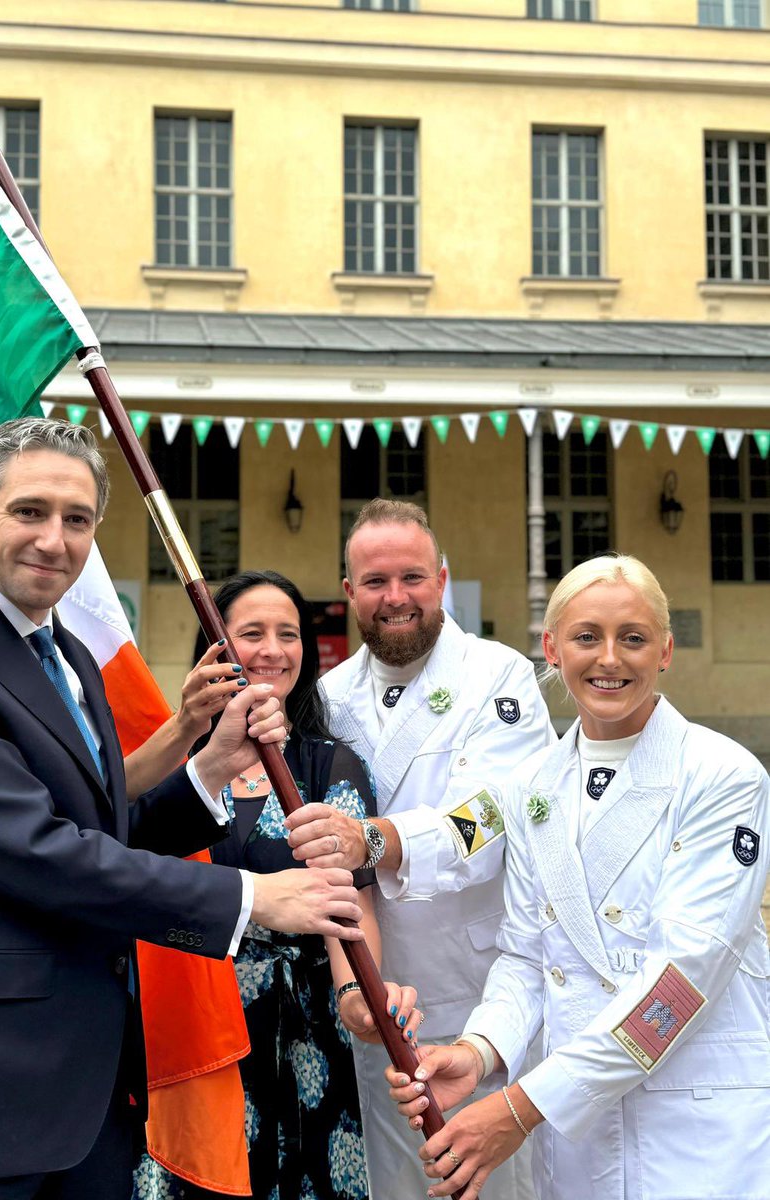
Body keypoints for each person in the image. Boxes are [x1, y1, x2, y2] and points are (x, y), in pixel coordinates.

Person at [0, 419, 365, 1200]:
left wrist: (211, 768)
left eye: (77, 519)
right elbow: (31, 852)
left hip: (92, 1088)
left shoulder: (66, 654)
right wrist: (250, 896)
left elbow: (99, 827)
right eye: (28, 511)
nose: (54, 539)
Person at [386, 554, 770, 1200]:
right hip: (578, 1137)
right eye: (587, 636)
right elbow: (529, 956)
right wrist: (480, 1050)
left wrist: (520, 1107)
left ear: (667, 650)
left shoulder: (724, 778)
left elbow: (679, 983)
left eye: (635, 638)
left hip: (696, 1127)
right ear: (552, 648)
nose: (610, 659)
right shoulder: (534, 787)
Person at [285, 498, 555, 1200]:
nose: (395, 598)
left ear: (441, 579)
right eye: (375, 583)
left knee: (492, 1181)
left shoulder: (498, 677)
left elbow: (494, 819)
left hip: (478, 991)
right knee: (393, 1174)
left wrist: (375, 840)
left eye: (411, 578)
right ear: (349, 593)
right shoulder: (328, 695)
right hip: (373, 988)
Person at [135, 570, 421, 1200]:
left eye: (288, 634)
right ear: (215, 650)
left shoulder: (328, 765)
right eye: (251, 634)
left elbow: (349, 906)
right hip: (190, 1025)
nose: (272, 650)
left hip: (302, 1032)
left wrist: (353, 992)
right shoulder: (172, 766)